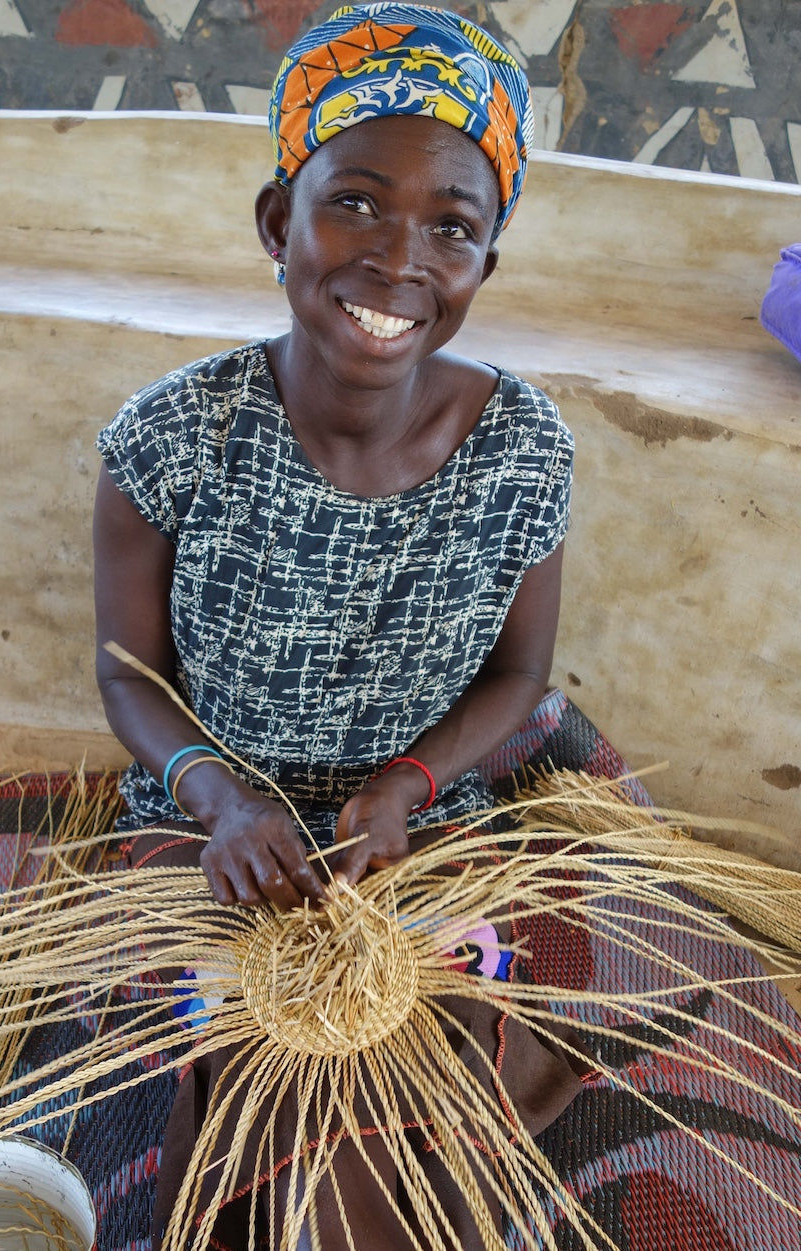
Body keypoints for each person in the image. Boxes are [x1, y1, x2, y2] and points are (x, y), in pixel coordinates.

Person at [93, 6, 586, 1247]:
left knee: (416, 1040)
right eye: (354, 203)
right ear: (279, 222)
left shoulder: (523, 451)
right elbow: (127, 677)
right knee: (233, 1049)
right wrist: (219, 800)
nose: (397, 260)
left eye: (452, 228)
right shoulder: (172, 437)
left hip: (415, 823)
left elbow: (523, 672)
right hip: (212, 824)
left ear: (480, 269)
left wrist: (408, 788)